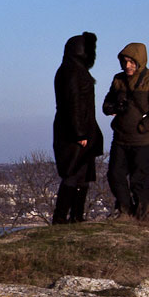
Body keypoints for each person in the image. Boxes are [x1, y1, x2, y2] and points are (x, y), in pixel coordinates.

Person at [102, 41, 149, 221]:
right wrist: (114, 106)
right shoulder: (118, 79)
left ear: (140, 61)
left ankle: (144, 217)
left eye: (131, 62)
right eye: (124, 61)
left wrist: (144, 126)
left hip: (143, 141)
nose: (127, 65)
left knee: (139, 181)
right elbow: (106, 105)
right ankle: (125, 211)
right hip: (120, 139)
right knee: (115, 176)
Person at [51, 32, 102, 223]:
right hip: (75, 132)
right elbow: (73, 103)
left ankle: (76, 216)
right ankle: (62, 217)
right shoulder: (72, 71)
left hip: (79, 129)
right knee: (73, 174)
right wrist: (79, 132)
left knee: (82, 175)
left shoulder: (72, 69)